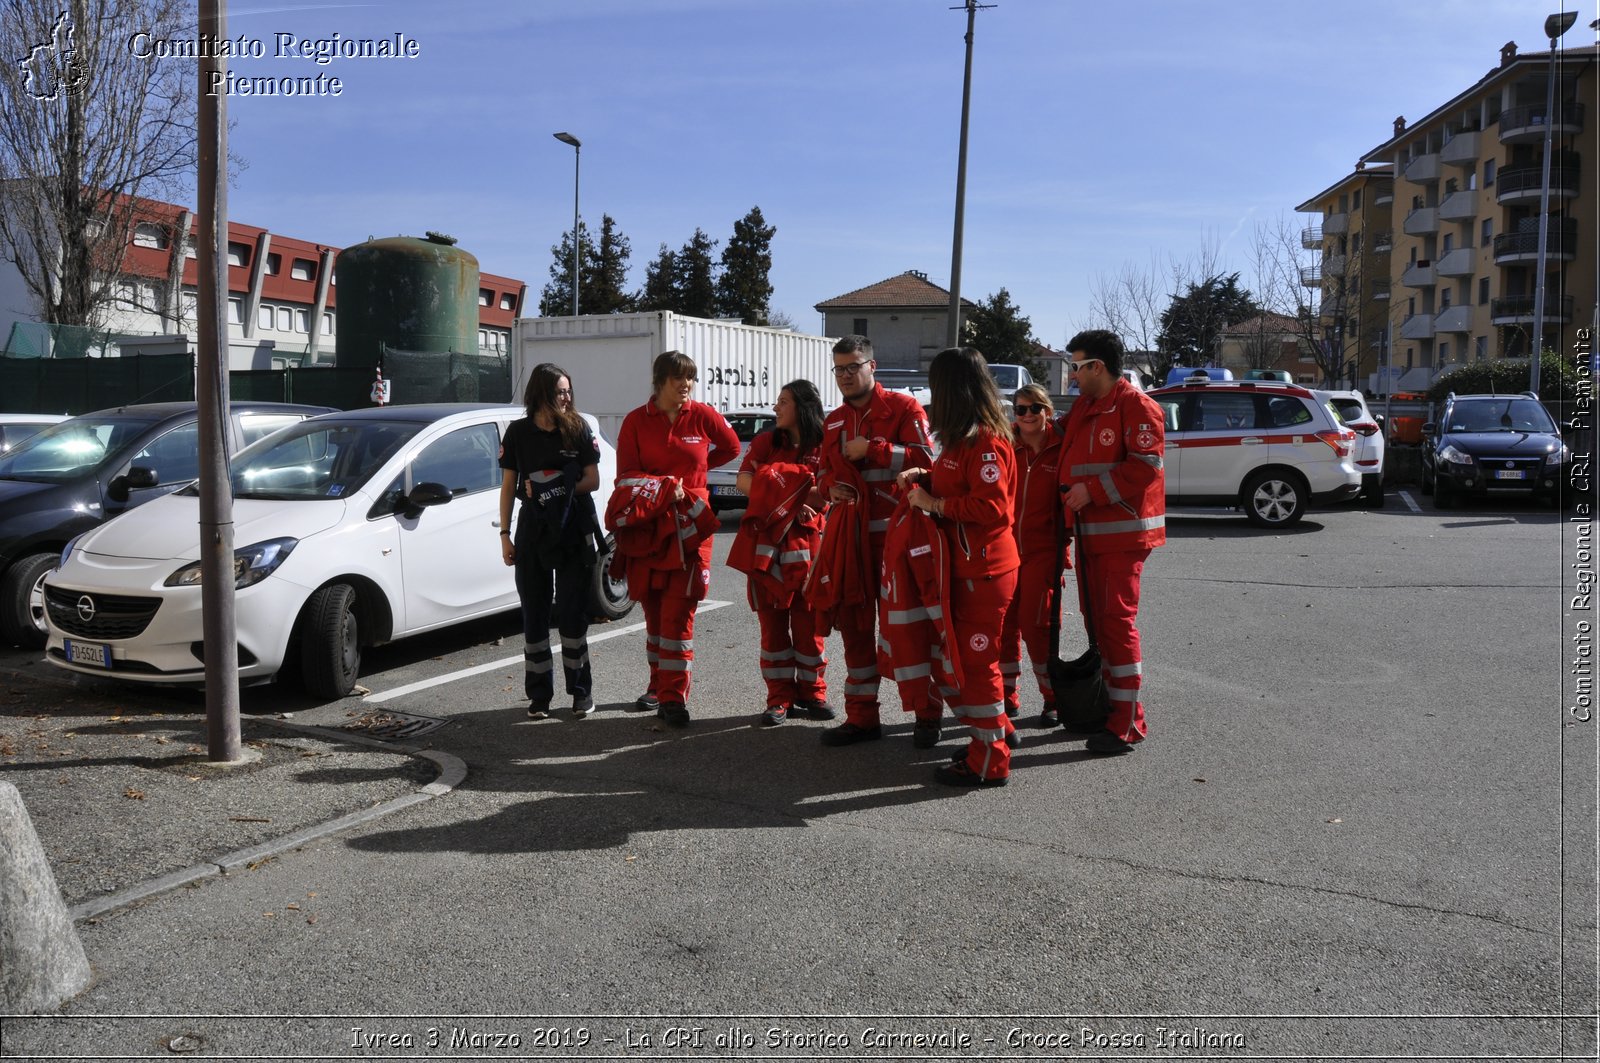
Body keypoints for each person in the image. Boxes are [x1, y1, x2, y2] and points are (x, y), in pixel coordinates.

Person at [896, 347, 1019, 786]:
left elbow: (992, 508)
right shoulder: (961, 438)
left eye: (935, 386)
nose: (931, 396)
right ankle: (994, 734)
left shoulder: (984, 441)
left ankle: (989, 760)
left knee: (976, 663)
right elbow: (957, 484)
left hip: (982, 571)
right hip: (967, 569)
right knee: (967, 660)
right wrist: (923, 479)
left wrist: (935, 503)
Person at [814, 335, 933, 747]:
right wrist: (829, 487)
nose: (846, 375)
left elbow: (926, 461)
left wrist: (875, 449)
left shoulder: (903, 408)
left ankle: (926, 715)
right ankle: (862, 717)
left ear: (872, 366)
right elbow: (823, 473)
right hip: (853, 542)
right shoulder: (832, 421)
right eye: (839, 369)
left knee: (910, 630)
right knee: (855, 628)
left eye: (853, 366)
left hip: (900, 543)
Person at [613, 351, 740, 728]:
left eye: (690, 379)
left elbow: (731, 447)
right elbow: (626, 476)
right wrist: (665, 487)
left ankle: (674, 698)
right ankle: (657, 687)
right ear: (659, 381)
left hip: (690, 527)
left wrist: (696, 476)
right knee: (653, 611)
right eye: (678, 379)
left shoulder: (702, 415)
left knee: (678, 612)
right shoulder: (636, 421)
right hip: (650, 527)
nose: (685, 385)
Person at [1057, 330, 1167, 755]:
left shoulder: (1136, 407)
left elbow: (1145, 466)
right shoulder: (1088, 404)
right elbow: (1056, 439)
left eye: (1077, 366)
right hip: (1090, 535)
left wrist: (1092, 491)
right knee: (1098, 623)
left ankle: (1127, 722)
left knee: (1115, 625)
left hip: (1121, 537)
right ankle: (1111, 709)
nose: (1072, 375)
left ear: (1096, 367)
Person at [498, 363, 601, 719]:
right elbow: (509, 487)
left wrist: (554, 487)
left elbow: (593, 479)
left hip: (573, 528)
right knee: (535, 616)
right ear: (542, 394)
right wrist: (504, 535)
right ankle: (539, 696)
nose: (567, 397)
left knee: (572, 614)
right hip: (533, 531)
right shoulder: (517, 433)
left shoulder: (578, 428)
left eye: (569, 391)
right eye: (561, 391)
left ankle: (581, 692)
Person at [730, 380, 835, 726]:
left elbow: (829, 491)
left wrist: (780, 481)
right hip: (767, 551)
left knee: (810, 626)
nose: (776, 408)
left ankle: (813, 693)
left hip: (809, 551)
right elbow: (742, 481)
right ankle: (779, 698)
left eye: (783, 402)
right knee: (772, 630)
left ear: (803, 406)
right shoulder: (765, 441)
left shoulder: (824, 445)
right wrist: (790, 496)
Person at [999, 383, 1070, 728]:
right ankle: (1005, 695)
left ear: (1047, 412)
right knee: (1003, 624)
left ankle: (1052, 697)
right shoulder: (1005, 445)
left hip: (1044, 552)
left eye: (1034, 409)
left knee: (1036, 626)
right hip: (1005, 550)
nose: (1026, 415)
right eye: (1020, 409)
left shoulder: (1062, 449)